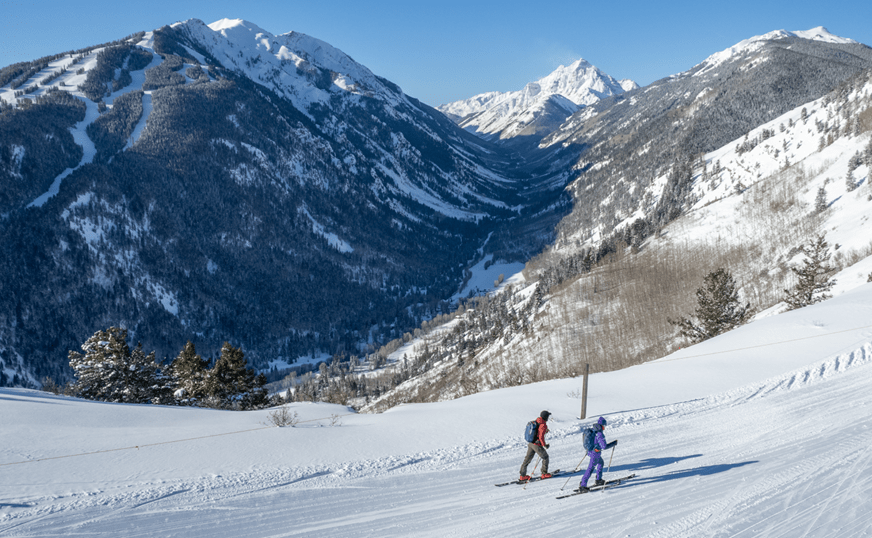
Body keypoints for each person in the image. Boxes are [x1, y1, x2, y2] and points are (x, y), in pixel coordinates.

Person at [579, 416, 617, 492]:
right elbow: (604, 446)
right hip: (595, 454)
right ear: (602, 425)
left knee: (601, 463)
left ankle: (598, 479)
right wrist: (613, 444)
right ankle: (583, 485)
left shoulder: (594, 430)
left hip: (591, 452)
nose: (604, 427)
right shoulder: (599, 434)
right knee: (590, 469)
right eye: (604, 426)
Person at [519, 410, 552, 480]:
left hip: (531, 443)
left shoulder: (536, 421)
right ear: (546, 417)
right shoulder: (543, 425)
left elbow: (537, 432)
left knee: (527, 459)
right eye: (548, 416)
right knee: (545, 457)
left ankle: (522, 475)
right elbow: (541, 437)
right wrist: (544, 445)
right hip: (536, 445)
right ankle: (544, 473)